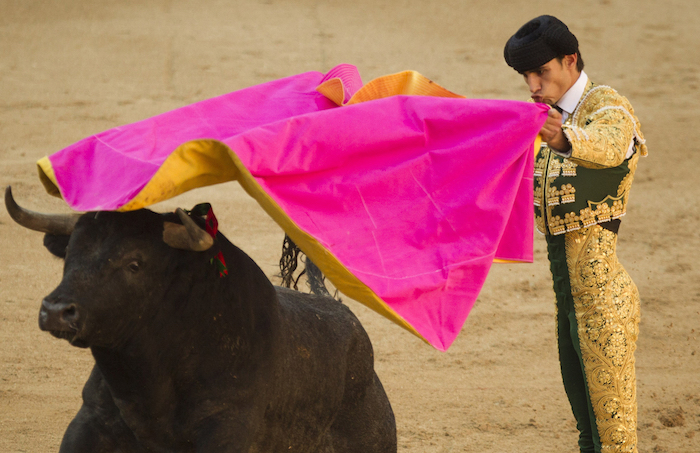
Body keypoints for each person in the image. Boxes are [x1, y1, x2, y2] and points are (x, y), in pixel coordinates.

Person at [503, 15, 647, 453]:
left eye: (541, 72)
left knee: (614, 439)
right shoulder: (544, 119)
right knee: (589, 430)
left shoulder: (607, 106)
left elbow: (609, 143)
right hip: (568, 301)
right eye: (526, 76)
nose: (533, 85)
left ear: (570, 60)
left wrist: (564, 137)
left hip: (605, 302)